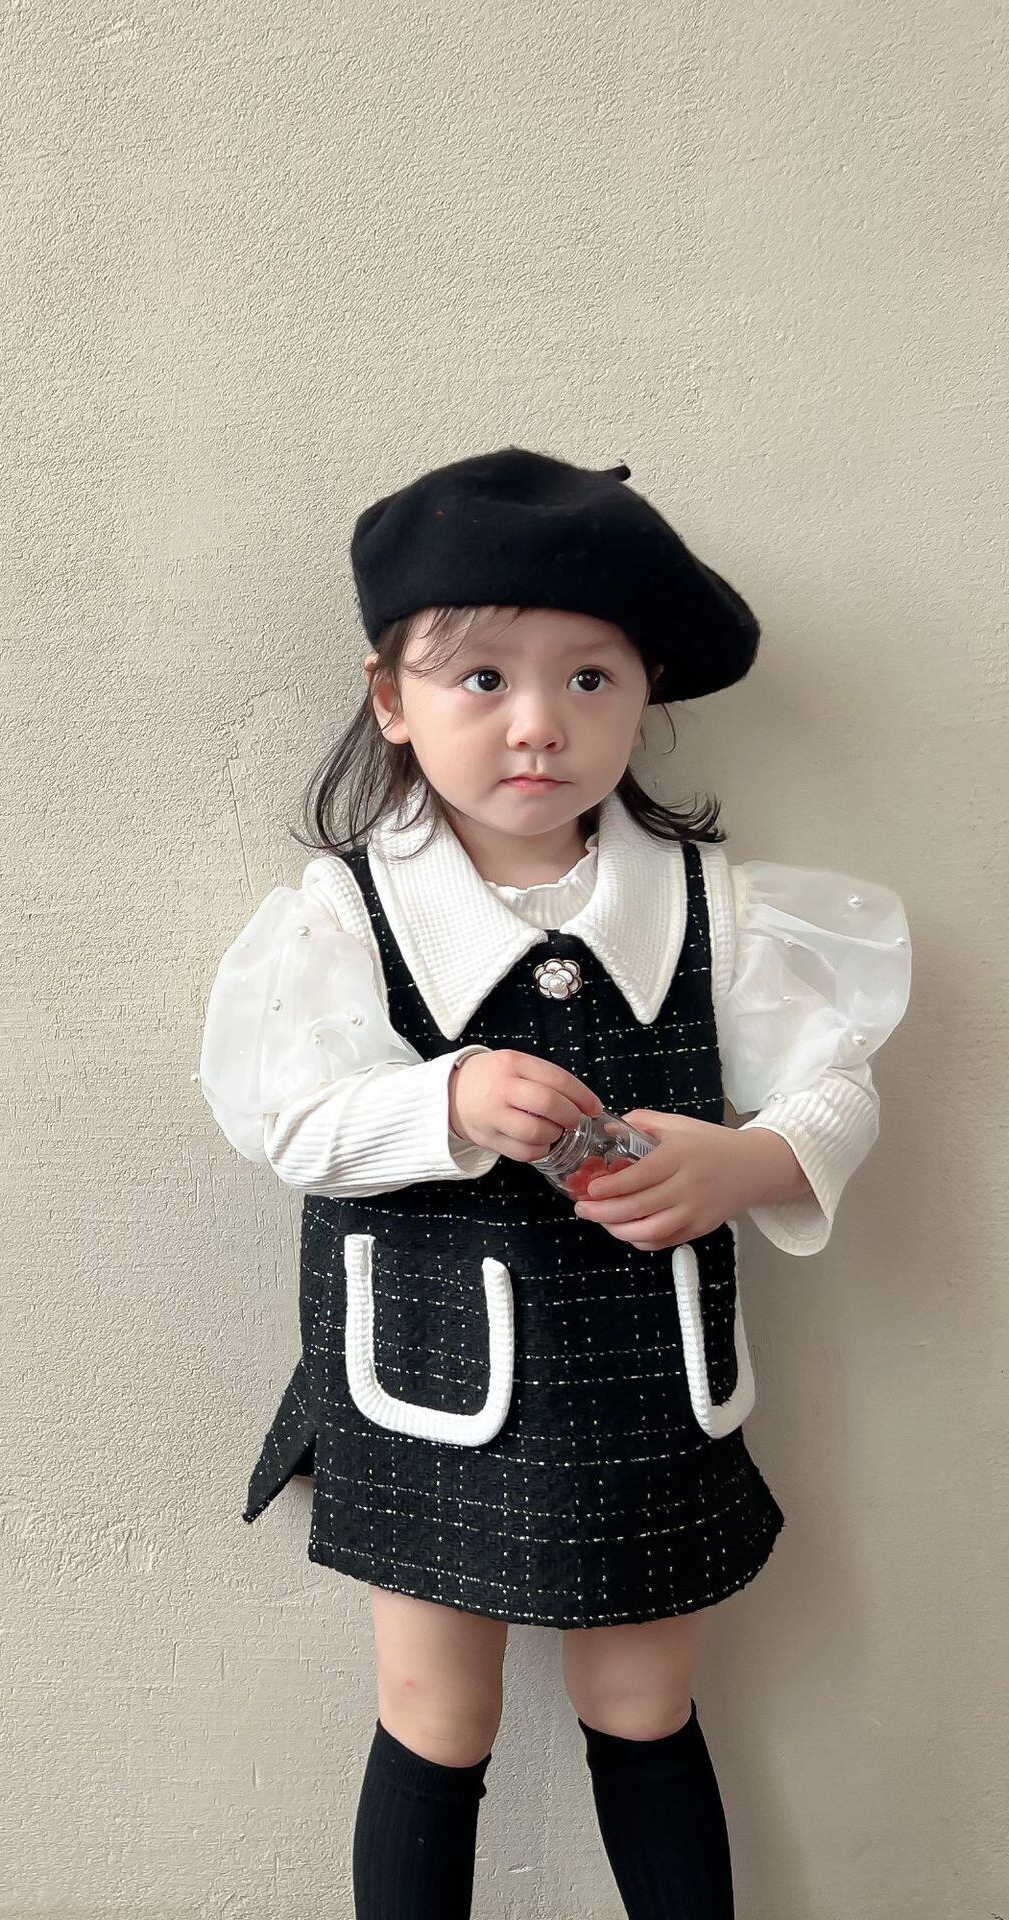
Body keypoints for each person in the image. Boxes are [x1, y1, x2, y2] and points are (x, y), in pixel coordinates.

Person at [196, 447, 912, 1920]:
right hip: (426, 1393)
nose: (539, 723)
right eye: (482, 679)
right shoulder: (345, 919)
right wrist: (444, 1102)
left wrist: (749, 1160)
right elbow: (283, 1121)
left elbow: (838, 1088)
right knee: (433, 1714)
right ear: (390, 699)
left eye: (589, 678)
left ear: (646, 696)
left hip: (644, 1394)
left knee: (645, 1704)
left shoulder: (709, 908)